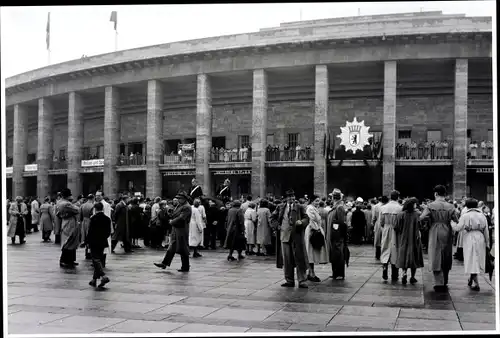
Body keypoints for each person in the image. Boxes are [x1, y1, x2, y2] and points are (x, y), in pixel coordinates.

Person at [420, 185, 459, 292]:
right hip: (447, 229)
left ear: (436, 194)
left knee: (435, 254)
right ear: (445, 194)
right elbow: (456, 219)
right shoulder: (450, 206)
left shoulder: (430, 205)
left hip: (434, 230)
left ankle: (438, 281)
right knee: (446, 254)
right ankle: (445, 279)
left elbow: (421, 218)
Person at [272, 189, 310, 288]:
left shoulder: (299, 207)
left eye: (292, 196)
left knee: (299, 258)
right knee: (287, 260)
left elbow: (306, 218)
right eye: (289, 197)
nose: (291, 198)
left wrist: (301, 222)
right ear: (286, 198)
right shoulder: (280, 207)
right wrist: (277, 226)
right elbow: (273, 218)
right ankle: (289, 280)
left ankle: (302, 280)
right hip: (284, 236)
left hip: (296, 236)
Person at [451, 198, 490, 291]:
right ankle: (471, 279)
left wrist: (452, 223)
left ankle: (476, 284)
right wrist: (487, 242)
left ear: (467, 206)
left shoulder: (465, 215)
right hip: (480, 237)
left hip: (469, 237)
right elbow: (486, 231)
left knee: (471, 259)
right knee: (477, 259)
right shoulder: (482, 215)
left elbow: (458, 228)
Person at [154, 192, 191, 272]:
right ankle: (164, 263)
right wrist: (169, 213)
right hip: (176, 229)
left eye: (179, 198)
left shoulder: (186, 207)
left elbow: (181, 218)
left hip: (181, 229)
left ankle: (186, 267)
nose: (178, 200)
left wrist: (172, 222)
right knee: (171, 247)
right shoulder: (179, 205)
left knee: (183, 248)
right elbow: (174, 214)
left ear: (184, 199)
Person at [394, 197, 424, 285]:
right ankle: (413, 277)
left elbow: (396, 227)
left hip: (403, 238)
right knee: (414, 256)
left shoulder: (400, 214)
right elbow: (421, 226)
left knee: (403, 256)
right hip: (415, 238)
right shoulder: (417, 214)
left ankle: (404, 273)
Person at [379, 190, 403, 281]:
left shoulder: (383, 207)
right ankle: (394, 273)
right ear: (398, 197)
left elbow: (381, 222)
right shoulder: (400, 208)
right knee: (395, 250)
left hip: (386, 228)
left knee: (385, 248)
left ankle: (384, 266)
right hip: (396, 230)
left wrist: (384, 227)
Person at [87, 202, 112, 288]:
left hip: (94, 241)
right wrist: (103, 237)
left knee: (95, 259)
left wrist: (87, 241)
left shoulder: (93, 218)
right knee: (99, 260)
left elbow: (90, 231)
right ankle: (94, 280)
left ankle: (103, 276)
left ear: (95, 209)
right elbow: (108, 232)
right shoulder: (107, 219)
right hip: (102, 241)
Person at [325, 188, 348, 280]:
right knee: (334, 254)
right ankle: (335, 272)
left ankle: (339, 273)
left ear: (334, 197)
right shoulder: (336, 206)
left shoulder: (339, 207)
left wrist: (336, 233)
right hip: (333, 235)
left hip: (336, 236)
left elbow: (341, 222)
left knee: (338, 254)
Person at [304, 195, 328, 282]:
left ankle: (311, 272)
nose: (317, 202)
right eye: (316, 201)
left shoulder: (313, 208)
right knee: (311, 252)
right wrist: (317, 229)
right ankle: (311, 273)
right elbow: (311, 220)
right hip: (312, 231)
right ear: (311, 201)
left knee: (312, 253)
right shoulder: (310, 208)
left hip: (314, 230)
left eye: (318, 201)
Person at [57, 188, 81, 268]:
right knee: (69, 241)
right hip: (70, 223)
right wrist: (76, 204)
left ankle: (70, 260)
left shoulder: (59, 202)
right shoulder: (66, 204)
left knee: (69, 241)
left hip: (65, 221)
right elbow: (77, 210)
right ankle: (64, 260)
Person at [80, 194, 95, 259]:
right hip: (90, 221)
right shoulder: (93, 206)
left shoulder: (82, 205)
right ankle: (89, 253)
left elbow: (80, 216)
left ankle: (86, 252)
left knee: (85, 237)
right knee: (90, 237)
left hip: (84, 221)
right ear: (92, 198)